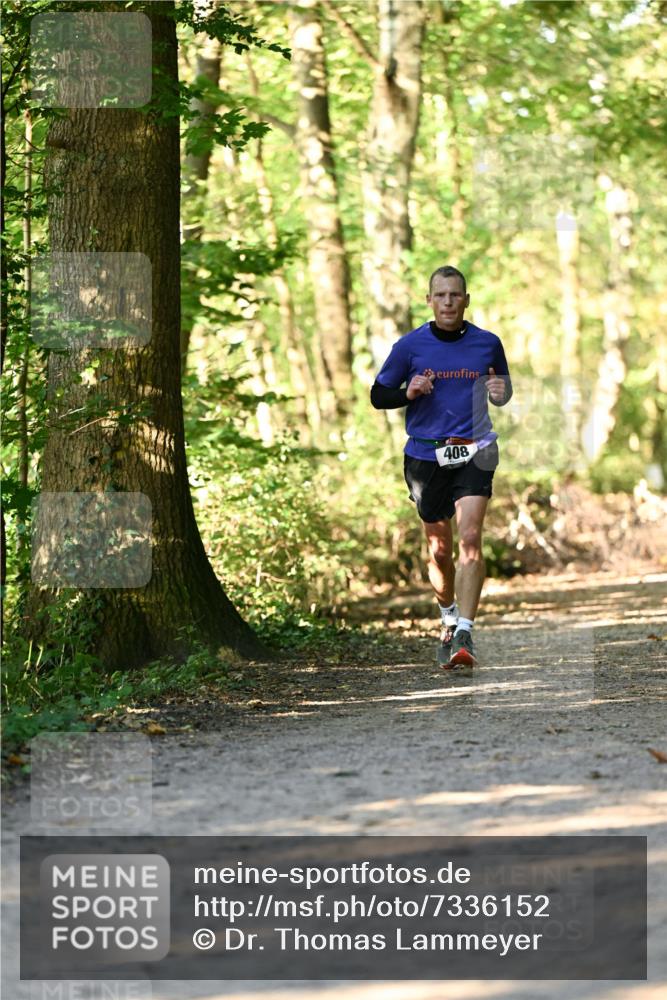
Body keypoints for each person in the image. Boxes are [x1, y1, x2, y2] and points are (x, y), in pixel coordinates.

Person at [370, 265, 512, 669]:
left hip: (476, 450)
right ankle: (448, 615)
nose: (449, 301)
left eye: (456, 295)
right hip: (425, 456)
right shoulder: (410, 346)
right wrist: (407, 392)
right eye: (441, 295)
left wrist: (501, 393)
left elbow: (502, 388)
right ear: (429, 300)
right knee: (440, 551)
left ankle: (465, 630)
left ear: (466, 300)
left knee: (470, 538)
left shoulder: (488, 343)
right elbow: (379, 395)